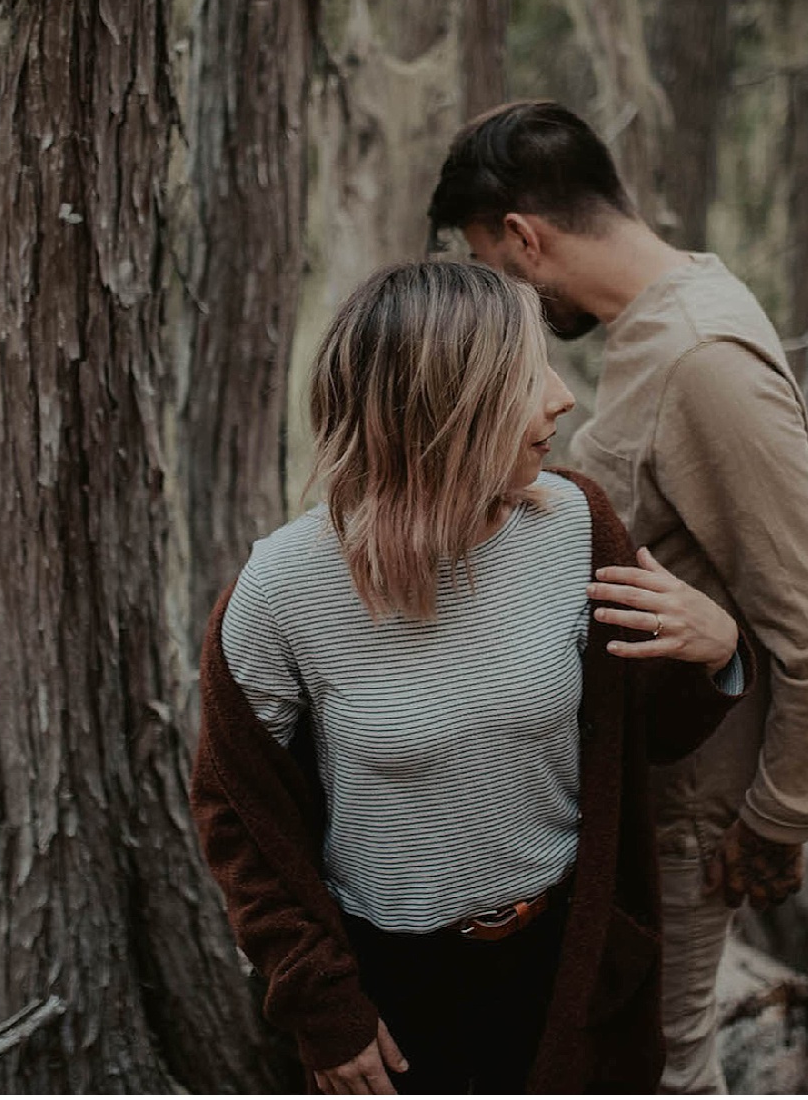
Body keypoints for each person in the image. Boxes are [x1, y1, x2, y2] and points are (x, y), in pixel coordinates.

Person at [191, 261, 755, 1094]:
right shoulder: (282, 591)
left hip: (569, 960)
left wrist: (715, 652)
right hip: (394, 987)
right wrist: (323, 1005)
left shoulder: (577, 524)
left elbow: (643, 738)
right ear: (445, 405)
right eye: (529, 378)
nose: (563, 398)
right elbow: (239, 818)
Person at [428, 100, 808, 1094]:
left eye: (493, 268)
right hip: (634, 790)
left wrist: (778, 817)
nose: (511, 308)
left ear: (524, 237)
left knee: (666, 1070)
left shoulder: (701, 358)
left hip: (688, 813)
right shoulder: (657, 330)